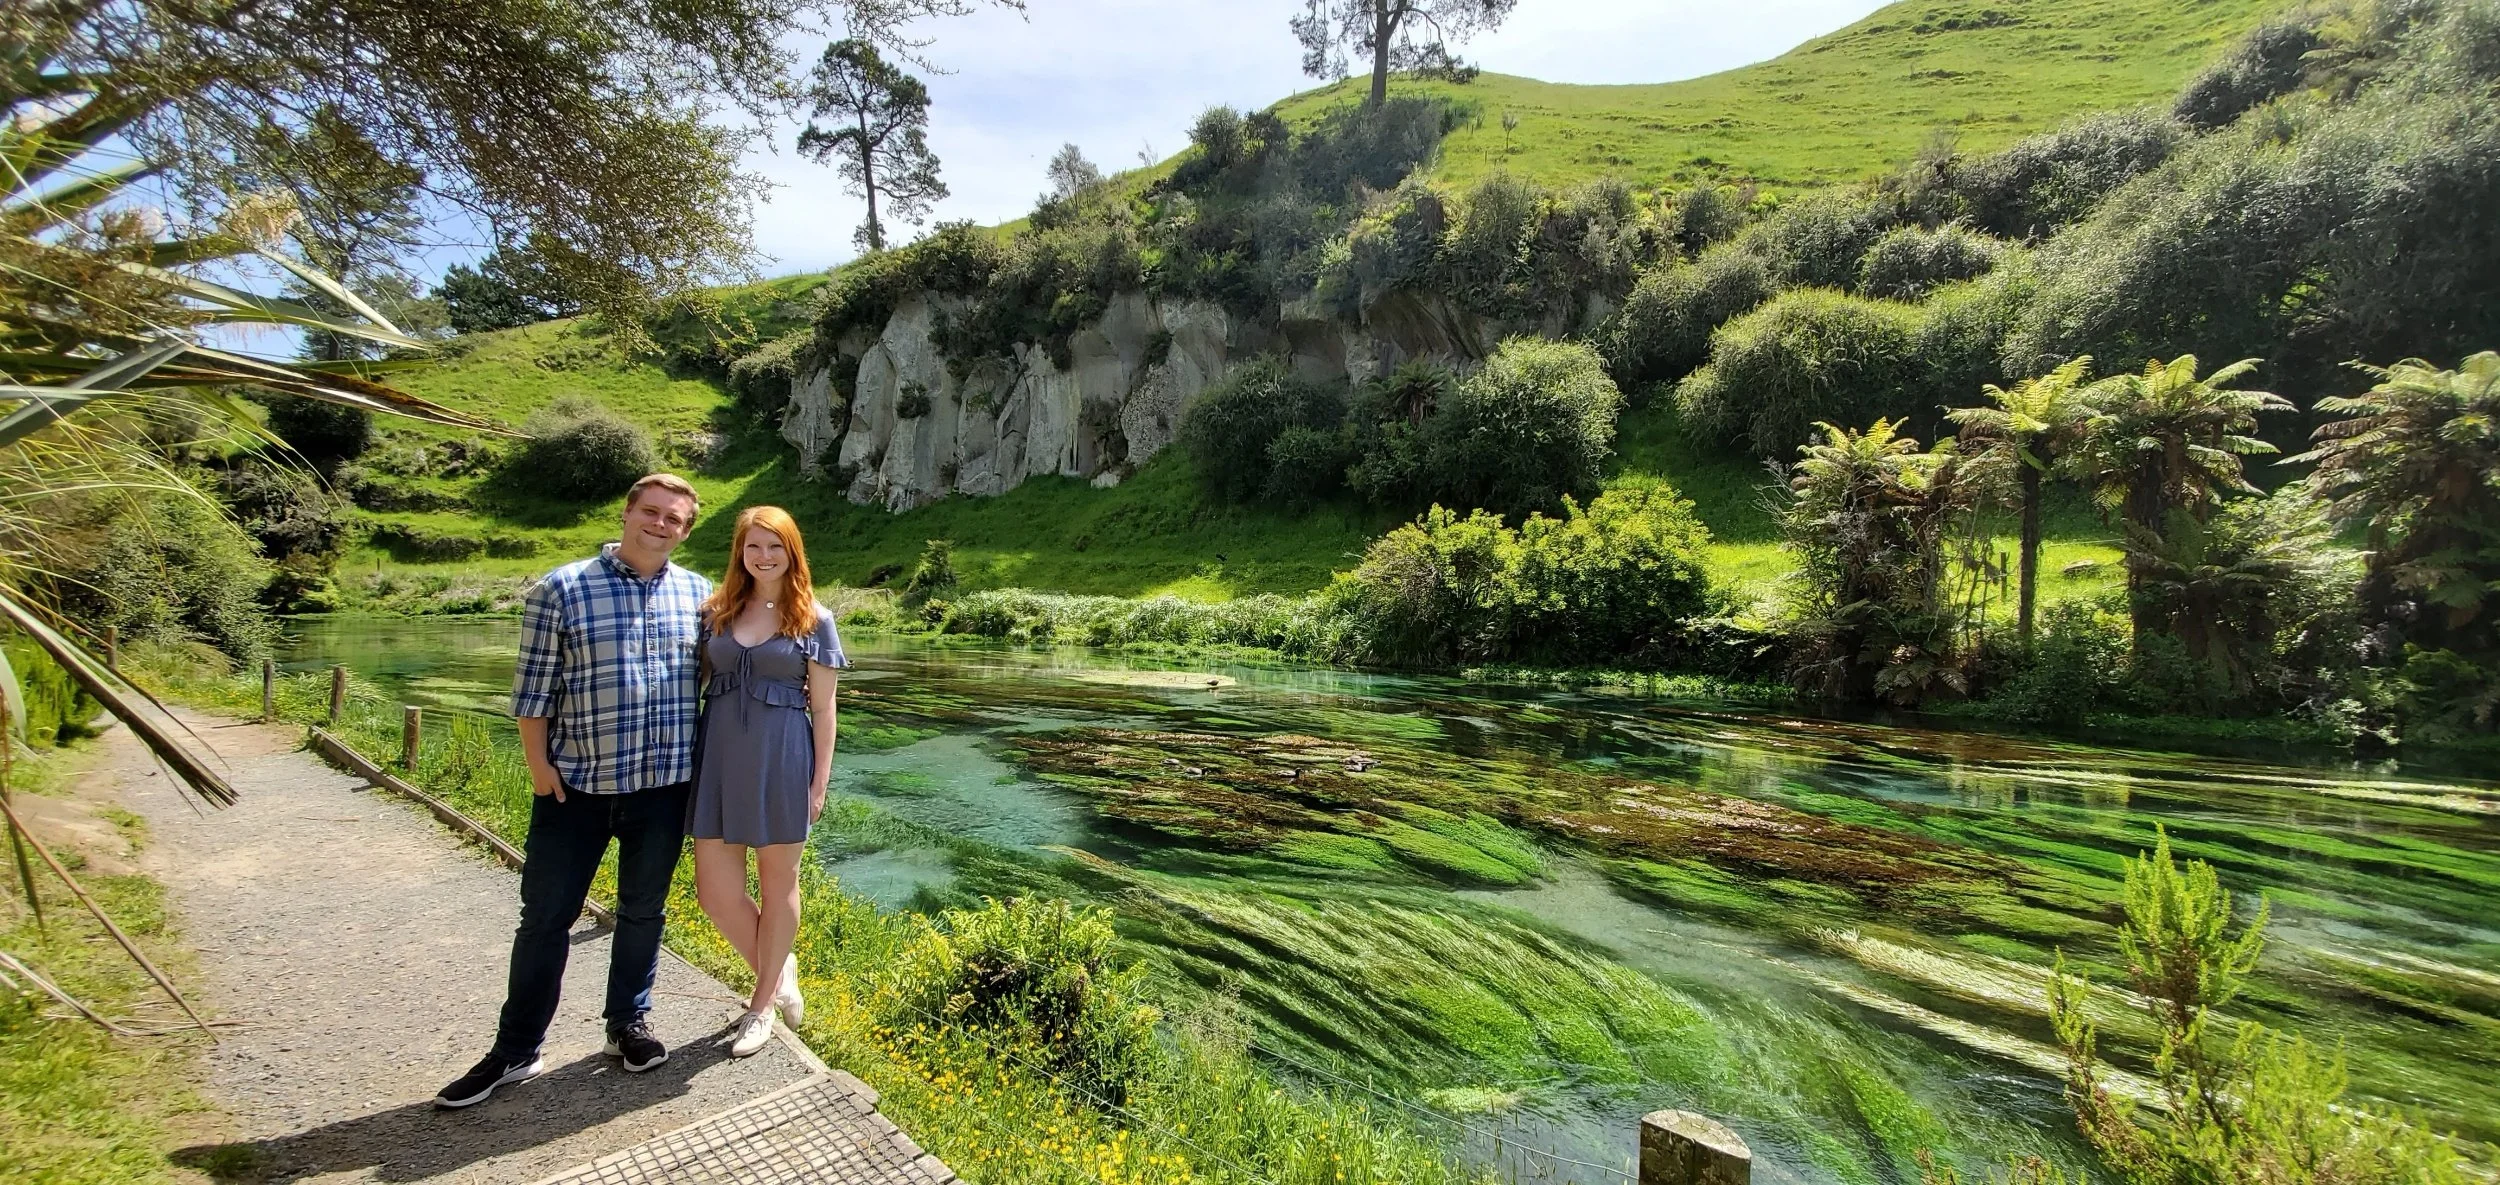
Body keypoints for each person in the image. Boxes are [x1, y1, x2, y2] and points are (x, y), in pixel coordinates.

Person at [435, 474, 711, 1109]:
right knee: (545, 918)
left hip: (664, 789)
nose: (660, 524)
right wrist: (539, 767)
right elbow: (532, 688)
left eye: (673, 519)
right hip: (575, 787)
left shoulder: (700, 596)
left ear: (685, 531)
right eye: (650, 512)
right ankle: (515, 1050)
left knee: (644, 912)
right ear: (627, 513)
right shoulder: (562, 587)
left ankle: (627, 1025)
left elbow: (721, 675)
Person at [689, 505, 845, 1058]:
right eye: (753, 546)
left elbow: (823, 710)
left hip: (783, 762)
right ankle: (781, 971)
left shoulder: (814, 619)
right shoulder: (716, 613)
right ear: (740, 552)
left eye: (775, 546)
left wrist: (819, 783)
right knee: (714, 893)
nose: (764, 556)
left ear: (792, 552)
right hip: (718, 762)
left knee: (779, 886)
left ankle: (760, 1007)